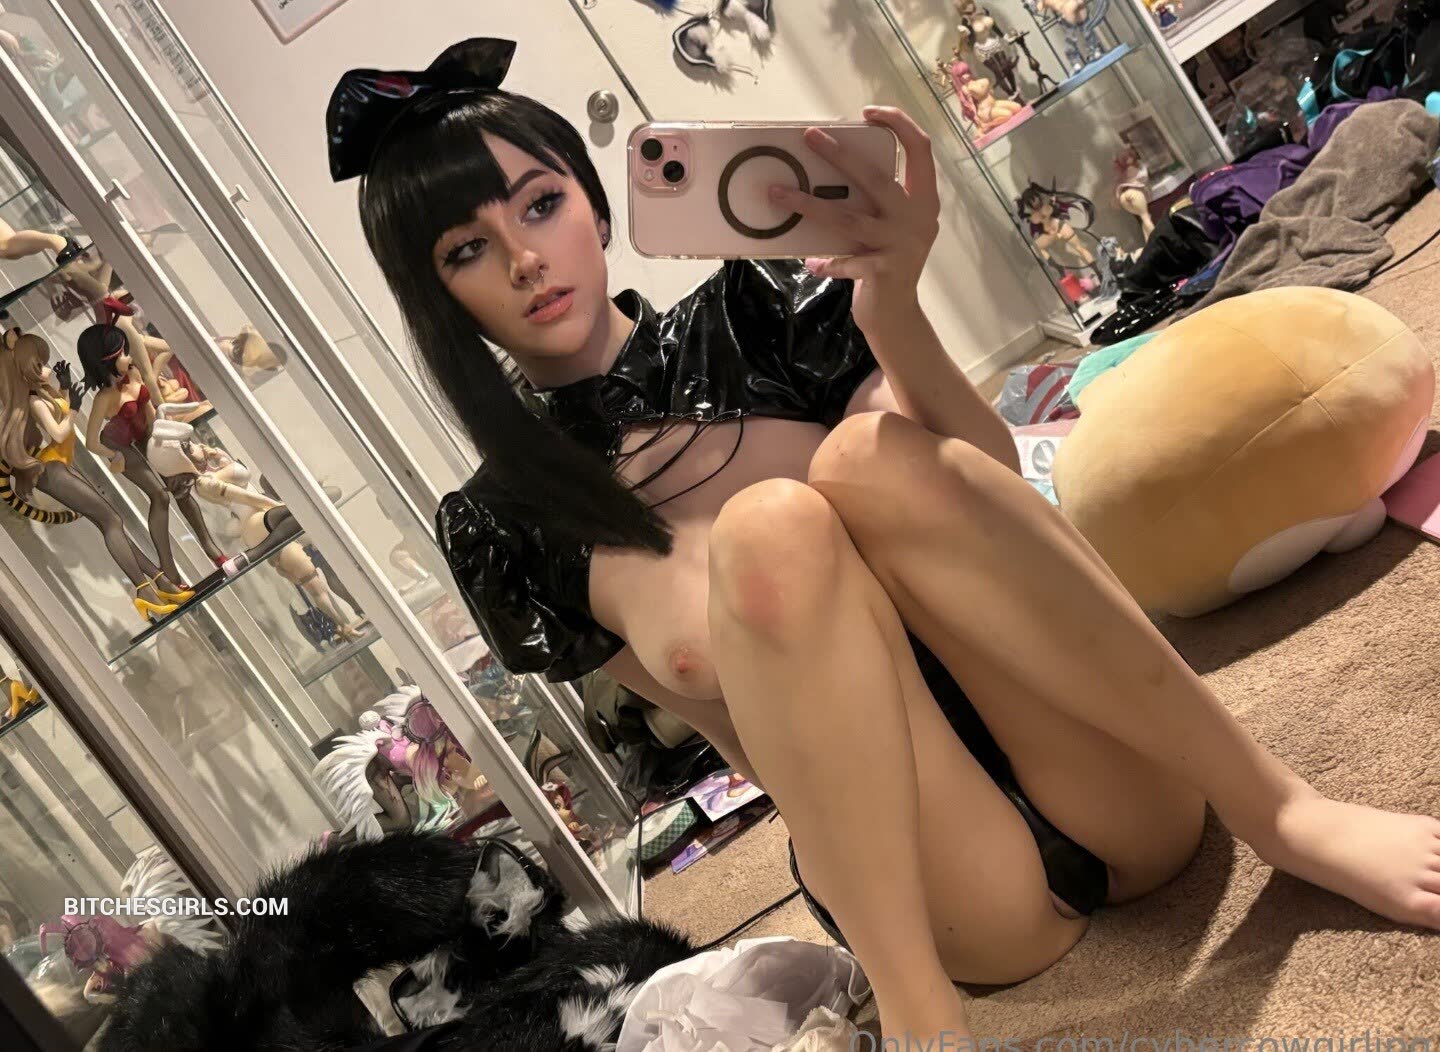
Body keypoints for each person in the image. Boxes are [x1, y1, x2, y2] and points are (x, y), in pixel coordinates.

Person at [331, 38, 1440, 1044]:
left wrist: (893, 308)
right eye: (468, 248)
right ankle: (922, 1021)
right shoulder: (502, 527)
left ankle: (1283, 808)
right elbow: (739, 745)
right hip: (940, 885)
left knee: (865, 459)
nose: (525, 259)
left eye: (540, 204)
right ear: (439, 297)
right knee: (775, 527)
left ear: (596, 200)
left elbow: (988, 489)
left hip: (1104, 752)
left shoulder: (757, 306)